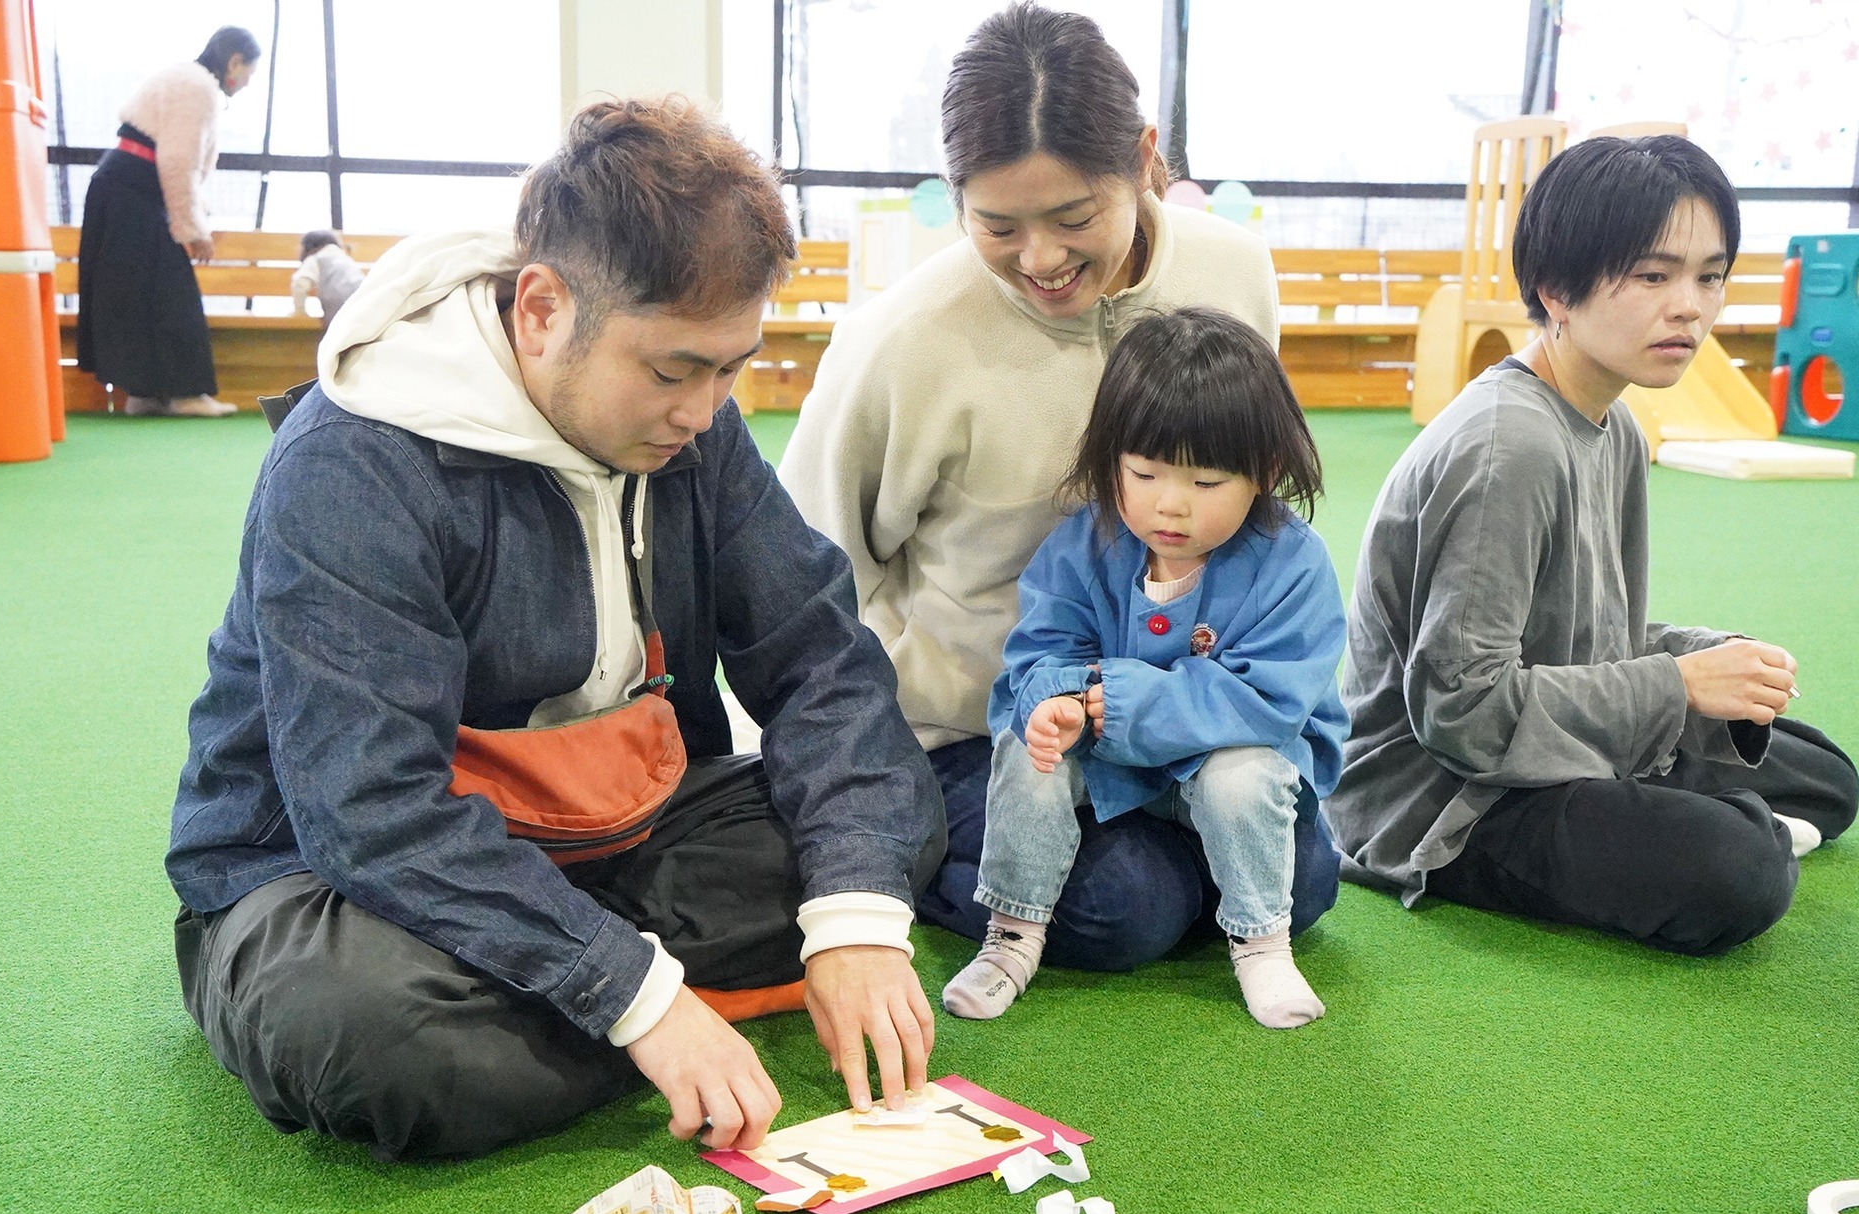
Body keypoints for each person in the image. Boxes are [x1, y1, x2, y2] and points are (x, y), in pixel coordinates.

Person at [166, 97, 946, 1163]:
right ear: (541, 310)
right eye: (674, 370)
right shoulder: (351, 465)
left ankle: (578, 989)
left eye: (732, 367)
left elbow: (820, 663)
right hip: (329, 871)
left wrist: (853, 916)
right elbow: (369, 810)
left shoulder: (694, 433)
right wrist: (636, 998)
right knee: (372, 1037)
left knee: (884, 846)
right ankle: (644, 999)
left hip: (614, 828)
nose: (707, 413)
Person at [781, 2, 1336, 977]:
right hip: (979, 729)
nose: (1039, 258)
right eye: (996, 224)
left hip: (1173, 710)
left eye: (1073, 217)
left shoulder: (1232, 275)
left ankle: (1153, 867)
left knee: (1308, 873)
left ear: (1143, 158)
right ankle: (927, 849)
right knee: (1120, 906)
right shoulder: (901, 343)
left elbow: (1243, 494)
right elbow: (800, 576)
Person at [1328, 135, 1858, 955]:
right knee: (1739, 868)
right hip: (1448, 796)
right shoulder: (1511, 447)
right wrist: (1676, 684)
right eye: (1653, 276)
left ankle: (1712, 811)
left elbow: (1590, 635)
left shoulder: (1612, 424)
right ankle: (1729, 826)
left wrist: (1709, 658)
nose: (1689, 305)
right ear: (1556, 291)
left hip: (1543, 737)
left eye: (1708, 276)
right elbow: (1459, 712)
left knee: (1826, 774)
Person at [944, 308, 1345, 1028]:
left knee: (1259, 803)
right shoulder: (1084, 544)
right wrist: (1059, 701)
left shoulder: (1293, 562)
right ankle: (1011, 933)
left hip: (1233, 768)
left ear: (1267, 473)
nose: (1170, 503)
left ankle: (1261, 943)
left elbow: (1269, 697)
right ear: (1111, 461)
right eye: (1145, 472)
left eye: (1207, 481)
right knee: (1030, 753)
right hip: (1115, 776)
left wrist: (1116, 698)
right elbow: (1040, 651)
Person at [75, 26, 259, 417]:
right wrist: (192, 230)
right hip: (133, 189)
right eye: (249, 74)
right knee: (172, 292)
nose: (246, 84)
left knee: (137, 292)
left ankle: (146, 393)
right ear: (234, 62)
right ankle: (185, 394)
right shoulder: (197, 87)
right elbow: (178, 162)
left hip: (122, 188)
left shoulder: (185, 78)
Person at [289, 228, 364, 329]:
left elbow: (300, 285)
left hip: (337, 308)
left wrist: (300, 312)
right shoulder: (346, 260)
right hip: (362, 305)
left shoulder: (317, 258)